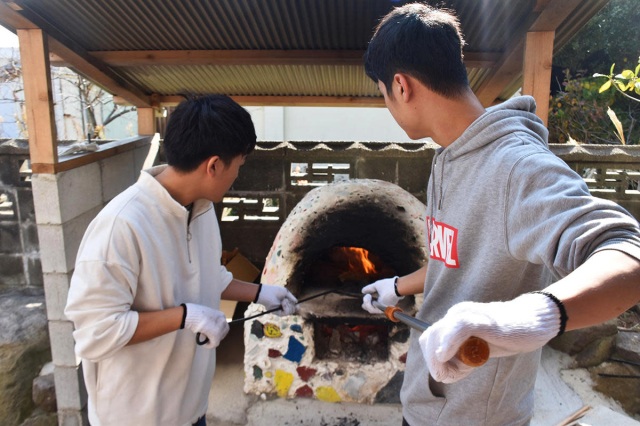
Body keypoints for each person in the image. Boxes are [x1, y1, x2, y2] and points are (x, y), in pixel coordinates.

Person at [359, 3, 640, 425]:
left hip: (478, 415)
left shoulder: (516, 166)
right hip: (428, 403)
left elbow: (627, 251)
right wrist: (397, 286)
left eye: (382, 92)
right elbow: (455, 259)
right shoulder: (448, 159)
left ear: (400, 86)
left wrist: (532, 317)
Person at [65, 95, 297, 426]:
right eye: (238, 166)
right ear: (214, 165)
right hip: (136, 416)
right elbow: (96, 332)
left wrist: (262, 294)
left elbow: (210, 277)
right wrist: (186, 316)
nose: (237, 177)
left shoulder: (201, 209)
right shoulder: (122, 224)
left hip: (191, 407)